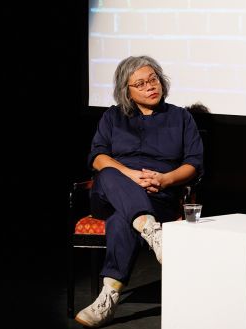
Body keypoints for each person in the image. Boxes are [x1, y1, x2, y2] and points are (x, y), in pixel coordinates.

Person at [75, 55, 204, 327]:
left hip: (158, 194)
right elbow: (98, 158)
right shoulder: (113, 117)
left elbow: (193, 164)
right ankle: (151, 229)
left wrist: (165, 179)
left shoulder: (181, 118)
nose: (150, 86)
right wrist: (130, 174)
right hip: (110, 193)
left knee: (123, 219)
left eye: (153, 79)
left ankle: (108, 297)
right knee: (109, 172)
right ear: (127, 91)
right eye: (141, 83)